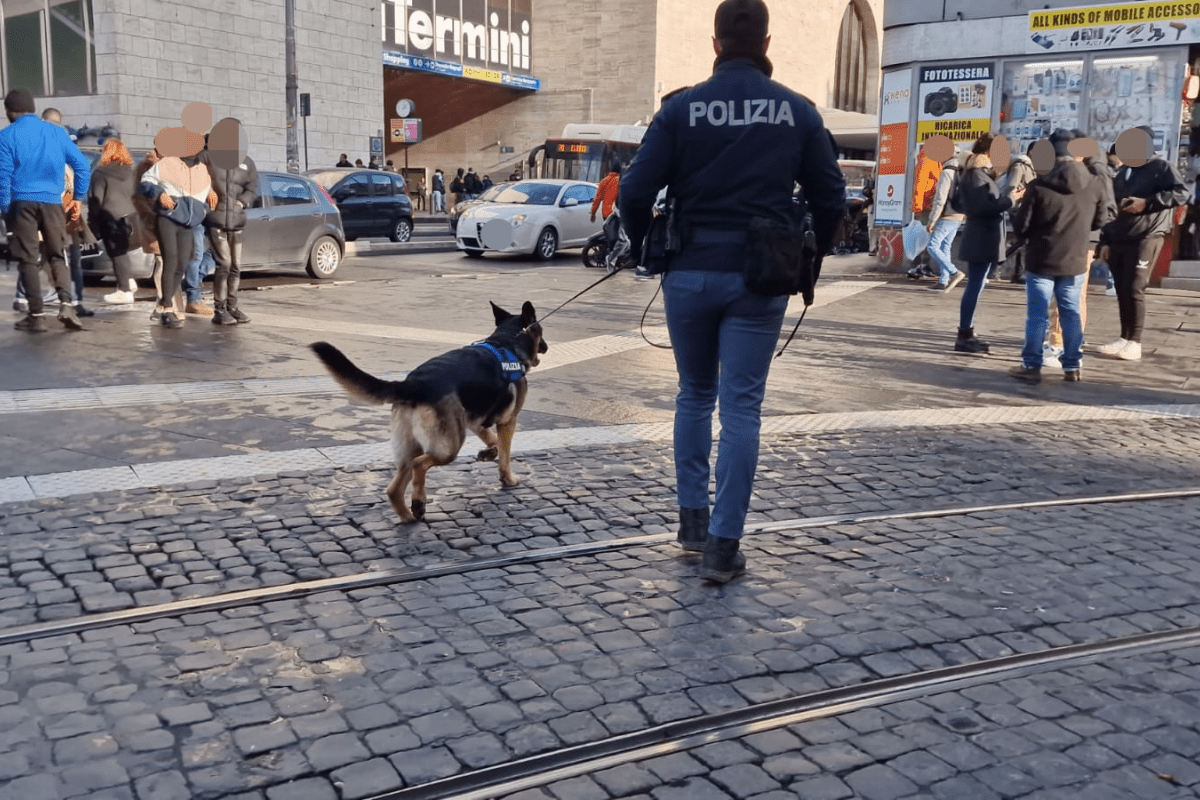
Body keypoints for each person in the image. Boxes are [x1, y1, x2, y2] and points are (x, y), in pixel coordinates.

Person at [618, 0, 845, 584]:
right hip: (760, 275)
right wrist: (809, 257)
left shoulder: (680, 109)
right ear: (766, 42)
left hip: (690, 270)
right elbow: (832, 200)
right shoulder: (798, 112)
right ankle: (723, 546)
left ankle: (692, 523)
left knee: (694, 394)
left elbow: (633, 194)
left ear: (715, 43)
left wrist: (646, 245)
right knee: (742, 406)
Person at [1009, 129, 1112, 383]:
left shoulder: (1038, 186)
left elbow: (1022, 227)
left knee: (1037, 314)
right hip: (1075, 259)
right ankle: (1072, 366)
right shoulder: (1094, 183)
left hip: (1041, 259)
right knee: (1071, 312)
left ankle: (1031, 366)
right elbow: (1100, 220)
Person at [1096, 126, 1189, 362]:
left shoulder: (1161, 167)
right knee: (1121, 287)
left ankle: (1135, 341)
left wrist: (1147, 203)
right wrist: (1105, 240)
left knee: (1135, 286)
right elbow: (1111, 207)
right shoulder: (1123, 171)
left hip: (1147, 236)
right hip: (1119, 238)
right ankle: (1124, 337)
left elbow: (1181, 193)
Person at [0, 89, 90, 332]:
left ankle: (37, 315)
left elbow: (3, 177)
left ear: (9, 111)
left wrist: (7, 211)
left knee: (28, 260)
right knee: (56, 254)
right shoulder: (55, 133)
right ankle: (67, 305)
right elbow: (82, 166)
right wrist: (79, 197)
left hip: (21, 203)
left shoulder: (6, 136)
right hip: (52, 202)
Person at [953, 132, 1024, 354]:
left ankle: (967, 332)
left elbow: (962, 203)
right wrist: (1012, 199)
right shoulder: (976, 175)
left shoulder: (978, 174)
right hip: (980, 238)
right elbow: (982, 207)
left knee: (978, 284)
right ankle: (964, 334)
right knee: (975, 286)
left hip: (981, 236)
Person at [138, 127, 216, 328]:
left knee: (181, 265)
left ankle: (165, 307)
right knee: (171, 262)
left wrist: (209, 195)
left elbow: (201, 189)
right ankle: (166, 308)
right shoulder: (168, 163)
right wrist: (158, 193)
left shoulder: (201, 168)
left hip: (189, 222)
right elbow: (145, 182)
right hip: (168, 218)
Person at [200, 117, 258, 325]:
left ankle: (233, 307)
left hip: (237, 221)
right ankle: (220, 309)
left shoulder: (247, 162)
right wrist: (206, 191)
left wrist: (243, 201)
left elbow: (252, 188)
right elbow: (194, 176)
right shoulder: (207, 156)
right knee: (223, 264)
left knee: (236, 266)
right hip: (216, 219)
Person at [42, 108, 98, 317]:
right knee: (58, 260)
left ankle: (72, 302)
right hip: (52, 214)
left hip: (63, 215)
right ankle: (63, 301)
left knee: (69, 260)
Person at [88, 139, 142, 304]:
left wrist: (92, 224)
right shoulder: (132, 172)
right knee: (122, 253)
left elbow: (95, 200)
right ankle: (128, 282)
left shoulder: (100, 173)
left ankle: (124, 291)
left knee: (117, 254)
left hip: (111, 219)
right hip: (133, 218)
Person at [922, 136, 967, 292]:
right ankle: (943, 281)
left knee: (932, 246)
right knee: (945, 246)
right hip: (959, 215)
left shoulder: (948, 171)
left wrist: (932, 220)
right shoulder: (962, 169)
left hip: (947, 215)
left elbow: (940, 198)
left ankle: (954, 272)